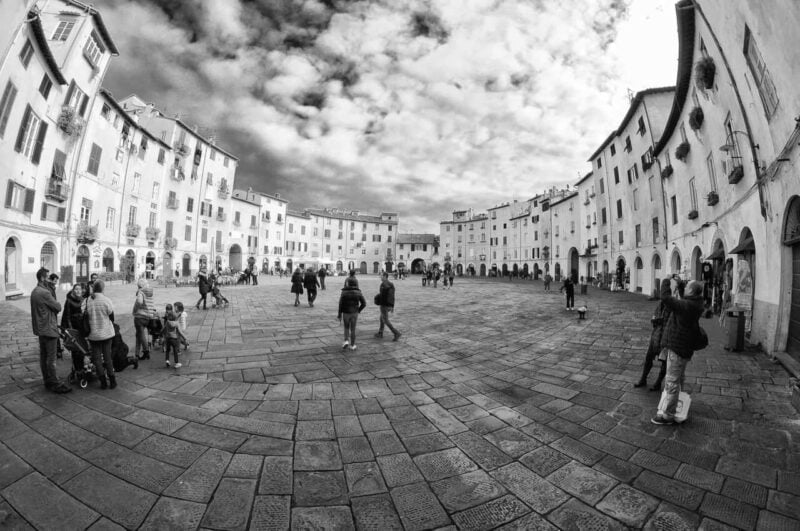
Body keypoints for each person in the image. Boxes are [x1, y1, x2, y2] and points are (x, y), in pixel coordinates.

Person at [651, 277, 704, 425]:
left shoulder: (687, 306)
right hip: (683, 347)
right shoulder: (694, 303)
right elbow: (682, 294)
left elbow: (666, 298)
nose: (685, 288)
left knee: (672, 382)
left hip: (678, 348)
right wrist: (680, 282)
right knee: (678, 379)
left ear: (692, 291)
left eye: (687, 287)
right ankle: (674, 405)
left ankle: (667, 415)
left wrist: (666, 280)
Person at [30, 268, 71, 393]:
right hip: (49, 328)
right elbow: (58, 307)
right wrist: (52, 290)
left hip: (40, 329)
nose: (50, 280)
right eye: (48, 277)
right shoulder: (45, 292)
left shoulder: (35, 291)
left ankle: (47, 380)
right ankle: (54, 383)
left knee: (44, 356)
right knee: (51, 358)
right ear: (42, 278)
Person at [634, 290, 674, 390]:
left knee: (664, 362)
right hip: (656, 336)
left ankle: (658, 383)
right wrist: (655, 320)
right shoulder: (660, 305)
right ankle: (643, 379)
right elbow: (654, 317)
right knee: (648, 358)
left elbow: (673, 323)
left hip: (666, 338)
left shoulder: (673, 306)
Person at [85, 280, 116, 389]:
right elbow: (111, 314)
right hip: (106, 333)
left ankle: (103, 381)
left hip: (93, 334)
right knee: (107, 357)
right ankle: (112, 381)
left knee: (97, 359)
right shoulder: (106, 300)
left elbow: (84, 312)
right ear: (102, 288)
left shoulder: (88, 300)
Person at [338, 276, 366, 350]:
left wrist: (339, 314)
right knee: (353, 329)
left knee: (346, 327)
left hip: (346, 312)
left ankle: (346, 340)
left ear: (348, 284)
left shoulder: (344, 292)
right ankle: (353, 345)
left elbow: (340, 304)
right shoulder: (358, 292)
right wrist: (358, 310)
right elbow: (364, 303)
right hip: (354, 313)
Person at [133, 278, 156, 360]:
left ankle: (146, 351)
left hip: (140, 316)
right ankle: (137, 353)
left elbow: (139, 302)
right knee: (139, 334)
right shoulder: (149, 292)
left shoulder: (141, 292)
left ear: (139, 286)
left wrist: (135, 309)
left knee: (140, 334)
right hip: (148, 316)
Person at [375, 272, 401, 341]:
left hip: (384, 305)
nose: (380, 277)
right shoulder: (391, 284)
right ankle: (380, 332)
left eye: (381, 276)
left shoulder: (383, 285)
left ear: (385, 276)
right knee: (381, 318)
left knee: (385, 320)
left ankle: (396, 333)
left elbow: (383, 296)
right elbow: (392, 296)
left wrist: (378, 300)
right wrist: (392, 305)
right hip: (389, 304)